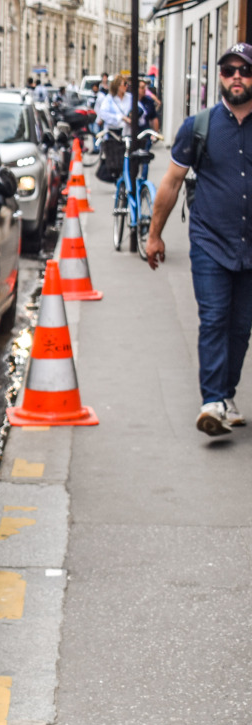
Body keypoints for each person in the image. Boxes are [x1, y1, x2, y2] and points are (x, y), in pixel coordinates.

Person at [144, 43, 252, 436]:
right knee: (214, 319)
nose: (236, 76)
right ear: (220, 77)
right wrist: (154, 235)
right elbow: (171, 182)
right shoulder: (199, 126)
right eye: (228, 70)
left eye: (244, 70)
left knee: (241, 327)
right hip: (210, 241)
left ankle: (225, 396)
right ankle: (211, 402)